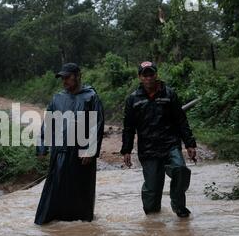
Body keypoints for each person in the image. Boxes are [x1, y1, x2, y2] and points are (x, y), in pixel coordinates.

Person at [120, 61, 197, 218]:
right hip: (148, 149)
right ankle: (153, 220)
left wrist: (189, 144)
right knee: (152, 191)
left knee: (180, 170)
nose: (148, 78)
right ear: (140, 77)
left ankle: (178, 206)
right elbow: (128, 127)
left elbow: (181, 120)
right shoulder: (133, 99)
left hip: (170, 145)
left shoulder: (169, 94)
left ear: (156, 75)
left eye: (151, 74)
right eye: (145, 74)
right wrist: (126, 150)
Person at [35, 63, 105, 225]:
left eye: (67, 77)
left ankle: (80, 227)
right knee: (55, 189)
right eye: (62, 78)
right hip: (59, 152)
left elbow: (97, 125)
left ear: (78, 76)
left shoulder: (91, 97)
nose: (64, 81)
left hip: (81, 155)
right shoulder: (58, 98)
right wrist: (41, 146)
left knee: (80, 191)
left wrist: (91, 150)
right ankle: (53, 224)